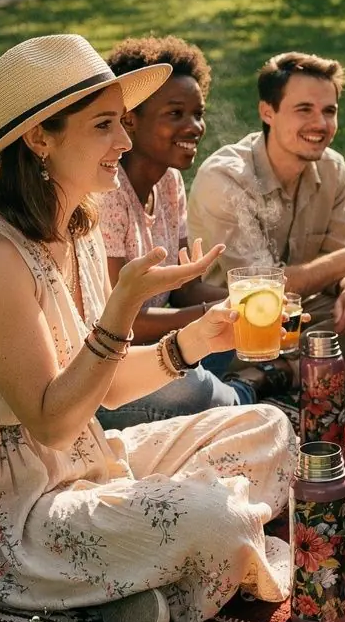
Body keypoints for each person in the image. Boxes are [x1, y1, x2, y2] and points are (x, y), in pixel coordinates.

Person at [0, 34, 296, 622]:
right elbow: (52, 421)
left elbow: (98, 388)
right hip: (12, 513)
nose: (126, 142)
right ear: (40, 138)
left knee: (267, 428)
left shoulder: (74, 224)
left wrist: (193, 341)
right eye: (105, 125)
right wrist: (122, 306)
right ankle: (157, 565)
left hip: (92, 461)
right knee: (212, 519)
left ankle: (137, 571)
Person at [187, 51, 345, 384]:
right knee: (256, 332)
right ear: (267, 112)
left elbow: (338, 257)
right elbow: (262, 291)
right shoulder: (226, 179)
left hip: (301, 316)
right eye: (304, 110)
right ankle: (318, 369)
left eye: (329, 111)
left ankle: (281, 373)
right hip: (233, 323)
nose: (320, 124)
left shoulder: (332, 168)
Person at [97, 36, 262, 430]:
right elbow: (122, 318)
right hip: (116, 365)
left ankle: (231, 385)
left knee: (254, 340)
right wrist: (211, 318)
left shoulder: (169, 182)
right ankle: (244, 393)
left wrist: (250, 302)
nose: (194, 127)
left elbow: (186, 289)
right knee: (192, 388)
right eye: (175, 114)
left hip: (171, 342)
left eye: (197, 113)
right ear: (129, 119)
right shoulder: (105, 194)